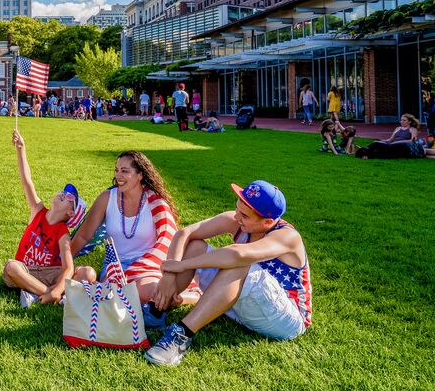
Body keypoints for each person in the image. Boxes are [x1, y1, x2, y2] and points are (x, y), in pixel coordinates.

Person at [145, 180, 311, 366]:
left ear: (268, 222)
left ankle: (182, 335)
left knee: (240, 262)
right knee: (195, 246)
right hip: (246, 305)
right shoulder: (238, 219)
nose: (237, 218)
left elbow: (237, 255)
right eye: (237, 209)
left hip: (286, 321)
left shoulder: (288, 236)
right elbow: (184, 233)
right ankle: (157, 308)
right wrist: (169, 275)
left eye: (245, 216)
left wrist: (182, 265)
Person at [70, 150, 191, 330]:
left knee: (147, 291)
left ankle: (180, 297)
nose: (118, 175)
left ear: (140, 175)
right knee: (130, 292)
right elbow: (83, 236)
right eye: (116, 170)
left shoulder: (156, 203)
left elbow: (169, 239)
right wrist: (63, 261)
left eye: (125, 171)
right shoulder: (107, 198)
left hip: (148, 266)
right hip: (114, 266)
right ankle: (161, 302)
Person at [4, 130, 86, 307]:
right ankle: (47, 294)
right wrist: (21, 149)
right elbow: (27, 181)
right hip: (26, 269)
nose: (64, 194)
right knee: (11, 267)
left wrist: (57, 287)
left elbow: (68, 268)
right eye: (64, 191)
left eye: (70, 197)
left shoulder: (63, 233)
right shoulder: (38, 210)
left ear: (71, 213)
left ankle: (34, 293)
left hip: (51, 273)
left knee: (87, 273)